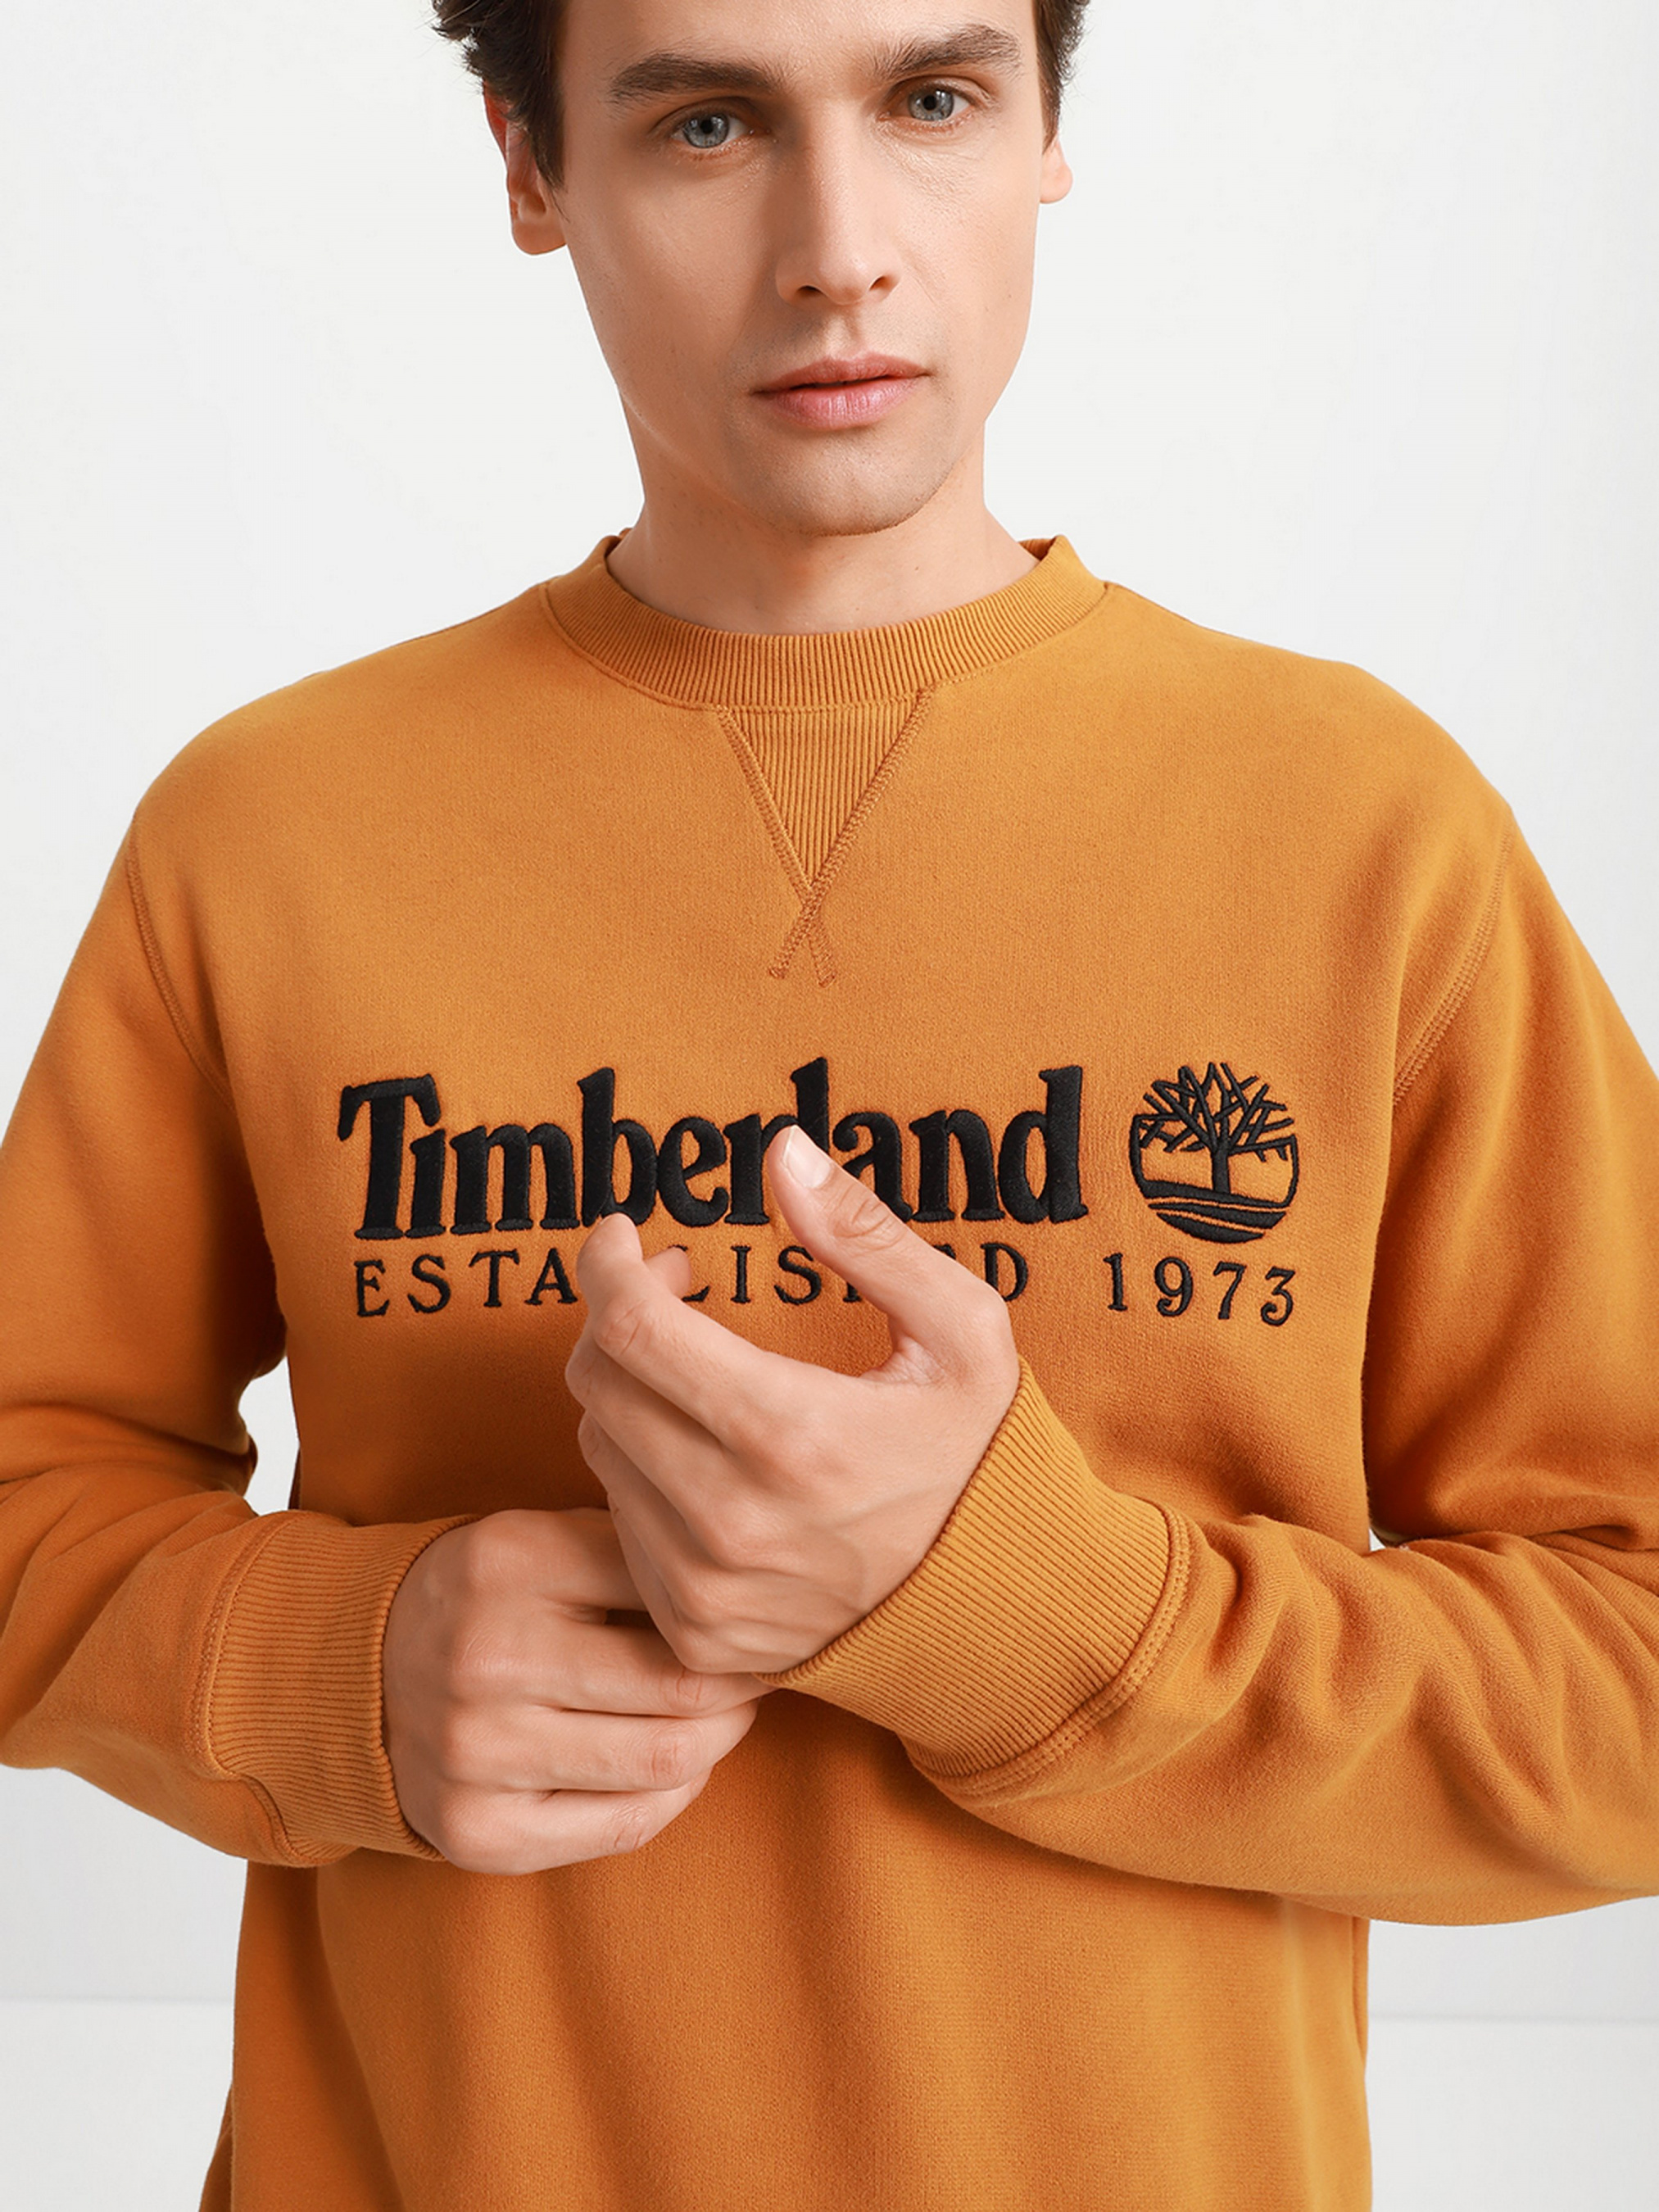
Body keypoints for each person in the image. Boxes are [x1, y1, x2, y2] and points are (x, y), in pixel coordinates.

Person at [1, 0, 1656, 2204]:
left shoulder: (1365, 835)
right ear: (529, 166)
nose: (838, 246)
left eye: (932, 98)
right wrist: (333, 1670)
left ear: (1047, 127)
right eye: (707, 123)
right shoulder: (265, 832)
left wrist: (1034, 1613)